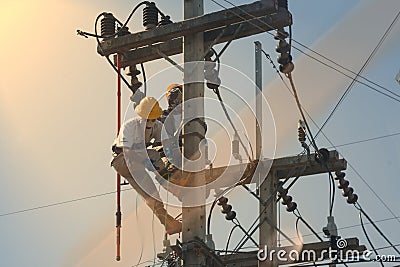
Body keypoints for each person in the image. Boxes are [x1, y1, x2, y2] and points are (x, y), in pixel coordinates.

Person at [111, 96, 182, 235]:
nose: (149, 122)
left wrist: (171, 159)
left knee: (152, 188)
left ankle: (170, 218)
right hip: (123, 160)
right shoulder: (130, 126)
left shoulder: (157, 126)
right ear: (141, 116)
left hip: (140, 157)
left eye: (153, 119)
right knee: (152, 161)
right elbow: (128, 152)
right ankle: (171, 187)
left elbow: (167, 145)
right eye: (147, 118)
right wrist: (148, 161)